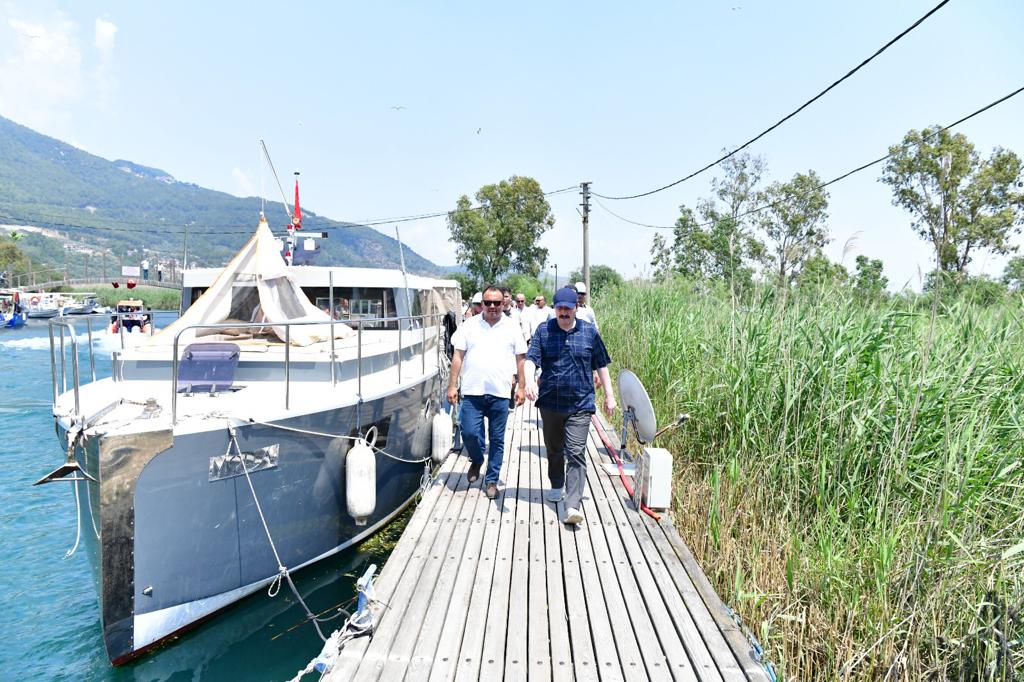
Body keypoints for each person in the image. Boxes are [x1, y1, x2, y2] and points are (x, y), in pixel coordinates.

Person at [525, 286, 615, 525]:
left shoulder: (589, 332)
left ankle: (573, 505)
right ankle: (556, 483)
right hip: (551, 403)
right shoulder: (544, 331)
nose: (563, 312)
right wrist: (529, 382)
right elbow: (531, 360)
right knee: (554, 450)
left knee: (575, 452)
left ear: (577, 307)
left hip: (581, 403)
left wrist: (609, 395)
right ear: (554, 308)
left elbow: (602, 365)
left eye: (568, 308)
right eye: (560, 308)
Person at [448, 286, 527, 499]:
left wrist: (521, 387)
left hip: (500, 393)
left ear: (504, 304)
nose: (492, 306)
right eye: (488, 302)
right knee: (469, 433)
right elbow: (458, 356)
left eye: (497, 303)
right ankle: (477, 459)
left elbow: (521, 358)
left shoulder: (512, 326)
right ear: (482, 304)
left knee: (497, 439)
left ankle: (492, 480)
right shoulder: (469, 325)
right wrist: (452, 385)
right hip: (472, 391)